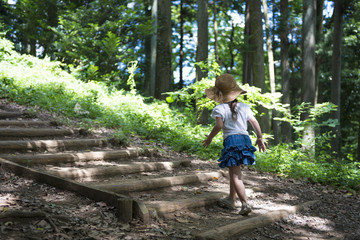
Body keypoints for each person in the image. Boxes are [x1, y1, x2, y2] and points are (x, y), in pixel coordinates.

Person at [202, 73, 266, 216]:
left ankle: (244, 204)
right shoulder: (244, 107)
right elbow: (254, 122)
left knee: (236, 175)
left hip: (232, 141)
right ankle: (231, 198)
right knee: (234, 171)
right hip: (245, 140)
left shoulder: (219, 109)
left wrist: (209, 138)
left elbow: (219, 125)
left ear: (219, 95)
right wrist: (260, 137)